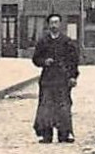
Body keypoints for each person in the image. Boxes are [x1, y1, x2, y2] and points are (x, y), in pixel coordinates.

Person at [32, 13, 82, 143]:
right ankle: (46, 135)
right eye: (52, 23)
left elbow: (74, 61)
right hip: (48, 79)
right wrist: (44, 61)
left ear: (60, 24)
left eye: (56, 22)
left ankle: (64, 134)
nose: (54, 25)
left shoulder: (67, 42)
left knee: (63, 106)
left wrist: (73, 76)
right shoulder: (43, 42)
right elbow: (35, 59)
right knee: (46, 107)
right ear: (48, 25)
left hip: (63, 79)